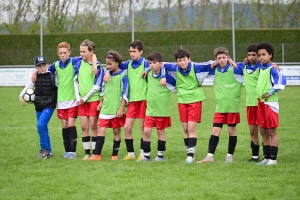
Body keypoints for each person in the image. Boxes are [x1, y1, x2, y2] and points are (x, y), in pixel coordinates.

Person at [31, 42, 98, 159]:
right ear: (58, 54)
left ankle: (73, 152)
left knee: (71, 124)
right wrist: (35, 71)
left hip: (73, 99)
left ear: (69, 53)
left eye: (65, 53)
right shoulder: (55, 65)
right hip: (61, 100)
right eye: (60, 53)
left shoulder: (74, 61)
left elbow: (92, 55)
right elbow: (44, 70)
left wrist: (94, 66)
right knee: (64, 125)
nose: (63, 55)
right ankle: (67, 151)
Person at [162, 48, 215, 163]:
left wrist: (229, 60)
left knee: (191, 128)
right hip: (182, 101)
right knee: (185, 128)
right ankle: (189, 152)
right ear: (176, 62)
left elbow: (212, 63)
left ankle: (190, 155)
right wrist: (162, 76)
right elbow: (160, 64)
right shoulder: (174, 67)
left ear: (189, 59)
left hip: (195, 100)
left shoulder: (196, 66)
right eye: (180, 60)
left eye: (184, 60)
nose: (182, 63)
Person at [104, 40, 151, 161]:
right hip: (132, 101)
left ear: (141, 52)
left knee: (142, 127)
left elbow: (158, 64)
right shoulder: (128, 64)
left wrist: (149, 70)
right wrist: (107, 72)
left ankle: (143, 153)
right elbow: (114, 65)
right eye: (130, 51)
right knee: (127, 127)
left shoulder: (146, 63)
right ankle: (130, 154)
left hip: (143, 100)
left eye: (134, 51)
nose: (132, 54)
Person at [197, 47, 244, 164]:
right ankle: (209, 156)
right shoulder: (214, 70)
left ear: (228, 58)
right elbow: (200, 66)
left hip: (232, 108)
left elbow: (252, 64)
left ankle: (229, 156)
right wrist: (212, 63)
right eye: (219, 58)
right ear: (216, 59)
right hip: (219, 108)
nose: (222, 60)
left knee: (231, 131)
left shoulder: (236, 69)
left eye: (224, 57)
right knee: (215, 131)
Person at [88, 50, 128, 161]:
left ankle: (114, 155)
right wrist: (101, 102)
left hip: (116, 109)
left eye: (110, 64)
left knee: (116, 131)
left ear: (117, 63)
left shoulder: (123, 76)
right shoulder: (106, 74)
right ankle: (97, 155)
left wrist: (121, 109)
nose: (108, 66)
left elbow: (125, 94)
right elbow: (102, 90)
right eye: (107, 64)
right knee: (101, 129)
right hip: (105, 108)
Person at [138, 51, 176, 162]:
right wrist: (147, 69)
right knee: (146, 132)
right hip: (150, 110)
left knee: (160, 132)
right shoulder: (148, 73)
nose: (152, 65)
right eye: (150, 63)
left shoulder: (166, 77)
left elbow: (176, 86)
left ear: (160, 63)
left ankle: (160, 156)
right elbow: (149, 69)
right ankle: (146, 156)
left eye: (154, 63)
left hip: (162, 110)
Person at [19, 55, 57, 159]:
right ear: (36, 67)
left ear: (47, 65)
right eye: (39, 66)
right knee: (43, 127)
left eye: (44, 65)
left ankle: (43, 151)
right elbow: (28, 86)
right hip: (38, 106)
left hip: (49, 105)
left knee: (40, 126)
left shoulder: (53, 76)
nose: (42, 68)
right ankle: (49, 152)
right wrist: (21, 95)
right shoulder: (35, 77)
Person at [255, 42, 286, 165]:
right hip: (261, 103)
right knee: (263, 131)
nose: (261, 57)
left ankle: (273, 159)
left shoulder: (273, 68)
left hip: (270, 103)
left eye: (264, 54)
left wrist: (270, 92)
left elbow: (282, 81)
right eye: (259, 55)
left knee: (272, 131)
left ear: (270, 55)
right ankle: (266, 158)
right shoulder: (260, 68)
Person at [74, 39, 104, 160]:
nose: (81, 54)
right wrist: (78, 97)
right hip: (81, 100)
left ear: (91, 52)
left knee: (93, 125)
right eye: (80, 51)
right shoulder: (78, 63)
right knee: (84, 126)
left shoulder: (98, 67)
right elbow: (75, 80)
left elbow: (97, 86)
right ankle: (87, 153)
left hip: (93, 99)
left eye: (84, 51)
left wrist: (85, 98)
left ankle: (95, 153)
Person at [237, 45, 262, 162]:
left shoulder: (262, 67)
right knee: (252, 131)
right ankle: (255, 156)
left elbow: (271, 66)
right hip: (250, 104)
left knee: (264, 131)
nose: (251, 57)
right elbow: (231, 64)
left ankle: (267, 155)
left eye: (254, 55)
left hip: (261, 104)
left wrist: (274, 65)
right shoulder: (244, 66)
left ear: (258, 55)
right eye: (249, 55)